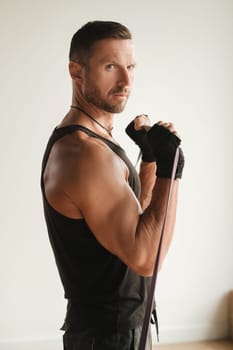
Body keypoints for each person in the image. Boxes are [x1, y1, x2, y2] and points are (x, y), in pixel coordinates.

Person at [41, 20, 184, 350]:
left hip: (117, 329)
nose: (126, 80)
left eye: (131, 66)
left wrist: (149, 160)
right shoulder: (85, 154)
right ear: (76, 72)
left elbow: (138, 219)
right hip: (107, 337)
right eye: (110, 67)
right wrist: (171, 170)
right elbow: (147, 257)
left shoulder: (97, 142)